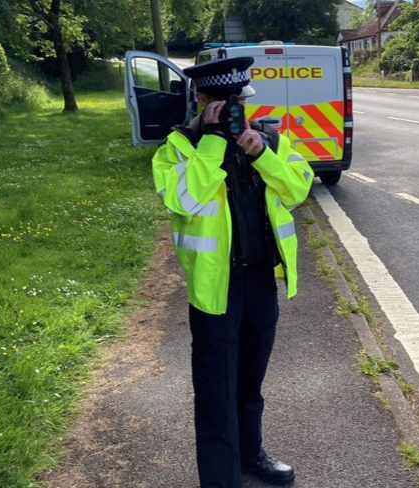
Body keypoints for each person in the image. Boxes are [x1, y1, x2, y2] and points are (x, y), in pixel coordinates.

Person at [151, 56, 314, 487]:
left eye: (236, 100)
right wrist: (210, 143)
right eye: (221, 101)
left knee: (250, 379)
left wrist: (262, 155)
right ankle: (221, 479)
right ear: (201, 99)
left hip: (260, 279)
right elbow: (185, 200)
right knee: (214, 390)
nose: (231, 109)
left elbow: (298, 189)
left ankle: (250, 454)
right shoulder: (179, 147)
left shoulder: (270, 140)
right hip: (214, 289)